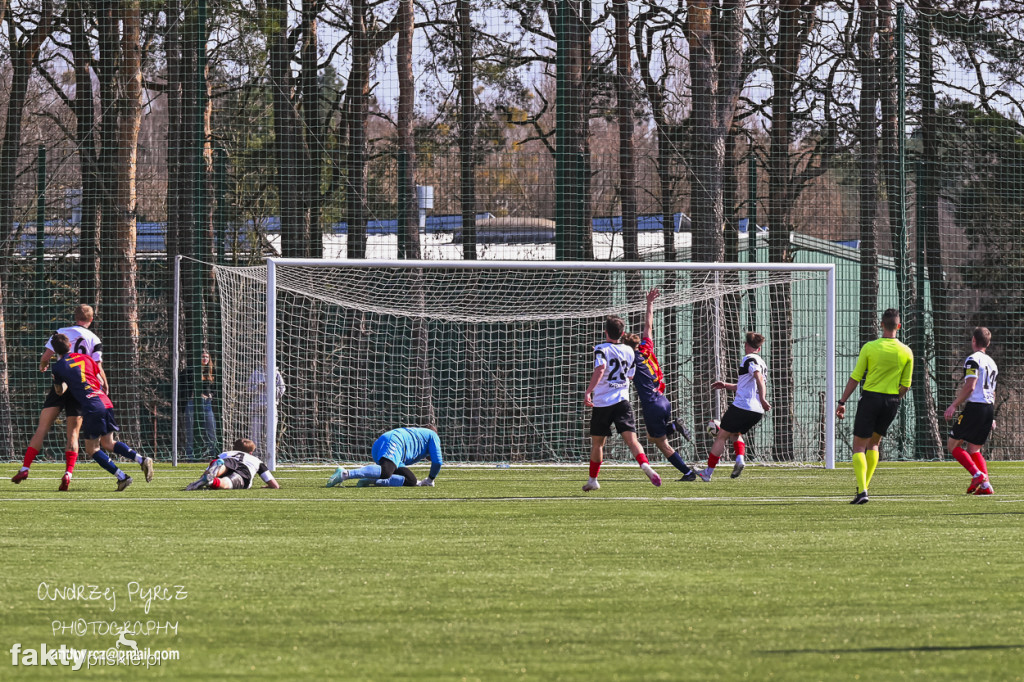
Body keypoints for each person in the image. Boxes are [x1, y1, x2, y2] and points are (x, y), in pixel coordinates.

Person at [11, 304, 130, 483]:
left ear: (75, 317)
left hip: (61, 381)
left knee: (42, 429)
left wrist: (43, 366)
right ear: (91, 319)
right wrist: (104, 384)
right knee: (73, 434)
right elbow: (97, 366)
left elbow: (45, 357)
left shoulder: (61, 332)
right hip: (80, 389)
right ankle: (68, 474)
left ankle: (25, 468)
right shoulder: (94, 338)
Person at [48, 333, 152, 491]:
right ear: (70, 346)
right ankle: (141, 459)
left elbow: (60, 391)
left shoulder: (59, 366)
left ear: (55, 351)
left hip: (91, 406)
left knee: (92, 449)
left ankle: (122, 477)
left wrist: (61, 381)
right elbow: (101, 380)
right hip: (105, 401)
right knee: (108, 443)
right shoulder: (85, 358)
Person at [836, 308, 914, 504]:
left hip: (870, 399)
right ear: (899, 326)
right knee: (874, 444)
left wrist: (842, 401)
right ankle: (864, 489)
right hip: (891, 402)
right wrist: (895, 398)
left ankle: (862, 490)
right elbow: (906, 384)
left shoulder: (870, 347)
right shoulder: (906, 351)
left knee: (859, 446)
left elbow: (855, 377)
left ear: (881, 325)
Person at [621, 288, 695, 482]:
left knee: (662, 444)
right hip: (663, 400)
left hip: (653, 405)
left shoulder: (631, 360)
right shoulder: (646, 349)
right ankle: (673, 425)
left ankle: (687, 473)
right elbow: (649, 326)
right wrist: (650, 303)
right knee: (652, 437)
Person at [581, 315, 662, 492]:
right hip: (622, 401)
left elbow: (601, 369)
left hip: (603, 402)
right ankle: (645, 465)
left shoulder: (601, 349)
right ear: (622, 333)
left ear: (605, 332)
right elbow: (630, 375)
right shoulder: (630, 351)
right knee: (632, 440)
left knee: (597, 443)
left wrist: (589, 391)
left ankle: (593, 480)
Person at [697, 332, 771, 482]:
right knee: (735, 434)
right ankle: (739, 459)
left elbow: (758, 378)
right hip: (756, 411)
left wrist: (763, 398)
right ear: (760, 348)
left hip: (743, 406)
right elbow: (745, 386)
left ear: (745, 345)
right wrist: (725, 385)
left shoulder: (749, 359)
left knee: (721, 436)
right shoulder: (762, 362)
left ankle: (708, 473)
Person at [943, 327, 998, 495]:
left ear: (974, 340)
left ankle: (977, 475)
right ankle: (986, 486)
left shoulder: (973, 359)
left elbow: (970, 386)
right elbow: (993, 391)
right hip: (988, 408)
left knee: (953, 445)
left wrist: (953, 405)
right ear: (987, 343)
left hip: (976, 407)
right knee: (974, 449)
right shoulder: (992, 363)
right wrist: (992, 416)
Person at [326, 427, 442, 488]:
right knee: (386, 471)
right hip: (394, 441)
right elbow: (437, 462)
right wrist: (430, 480)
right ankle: (345, 474)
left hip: (390, 449)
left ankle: (372, 480)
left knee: (411, 480)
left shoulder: (420, 439)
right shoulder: (433, 436)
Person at [184, 438, 279, 490]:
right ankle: (211, 482)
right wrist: (269, 486)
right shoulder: (256, 460)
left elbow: (206, 471)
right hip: (244, 470)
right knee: (227, 482)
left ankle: (217, 469)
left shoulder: (225, 453)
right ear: (251, 452)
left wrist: (202, 478)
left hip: (228, 460)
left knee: (222, 465)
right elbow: (274, 485)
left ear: (234, 448)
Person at [180, 349, 217, 459]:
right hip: (192, 403)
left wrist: (210, 395)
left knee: (211, 431)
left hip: (207, 404)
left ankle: (212, 455)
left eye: (207, 357)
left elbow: (214, 388)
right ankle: (190, 457)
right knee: (190, 432)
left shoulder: (211, 372)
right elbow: (183, 386)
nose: (205, 359)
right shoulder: (190, 371)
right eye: (203, 356)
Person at [248, 367, 285, 455]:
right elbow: (248, 389)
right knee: (255, 434)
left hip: (271, 408)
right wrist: (258, 387)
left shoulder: (276, 373)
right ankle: (255, 455)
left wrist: (271, 388)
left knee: (270, 434)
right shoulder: (256, 373)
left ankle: (270, 455)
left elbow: (282, 390)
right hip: (257, 408)